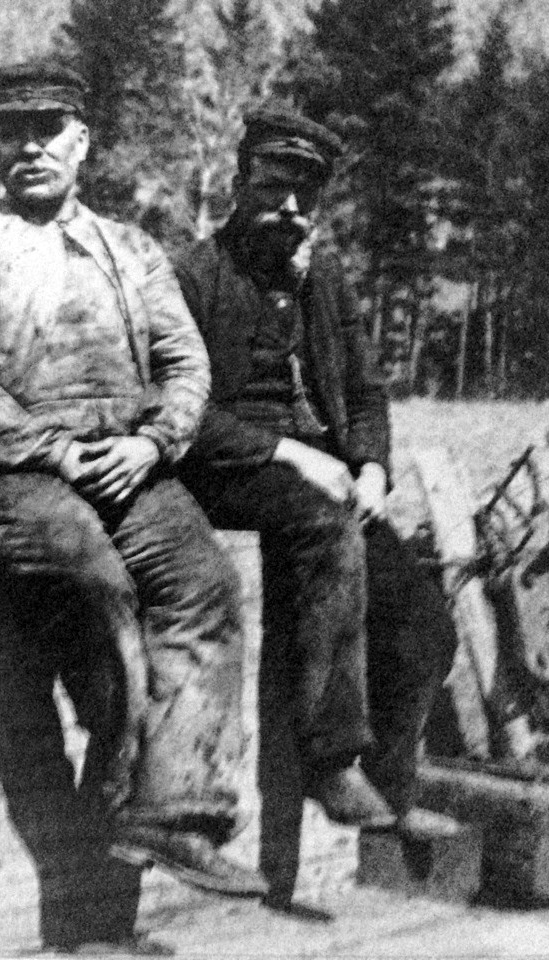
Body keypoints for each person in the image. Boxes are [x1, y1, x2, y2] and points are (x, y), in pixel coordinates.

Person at [0, 58, 265, 895]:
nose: (30, 148)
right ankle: (126, 774)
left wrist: (154, 444)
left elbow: (184, 362)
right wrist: (47, 447)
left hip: (127, 461)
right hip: (7, 470)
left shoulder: (132, 250)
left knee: (204, 583)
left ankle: (178, 814)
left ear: (83, 141)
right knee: (87, 571)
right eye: (10, 132)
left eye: (49, 129)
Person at [174, 105, 461, 838]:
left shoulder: (324, 279)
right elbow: (180, 412)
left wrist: (372, 469)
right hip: (231, 469)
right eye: (273, 189)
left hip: (329, 483)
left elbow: (365, 393)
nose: (290, 209)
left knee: (425, 621)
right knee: (323, 524)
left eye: (306, 195)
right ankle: (329, 757)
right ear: (239, 186)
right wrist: (289, 453)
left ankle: (388, 794)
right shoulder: (191, 277)